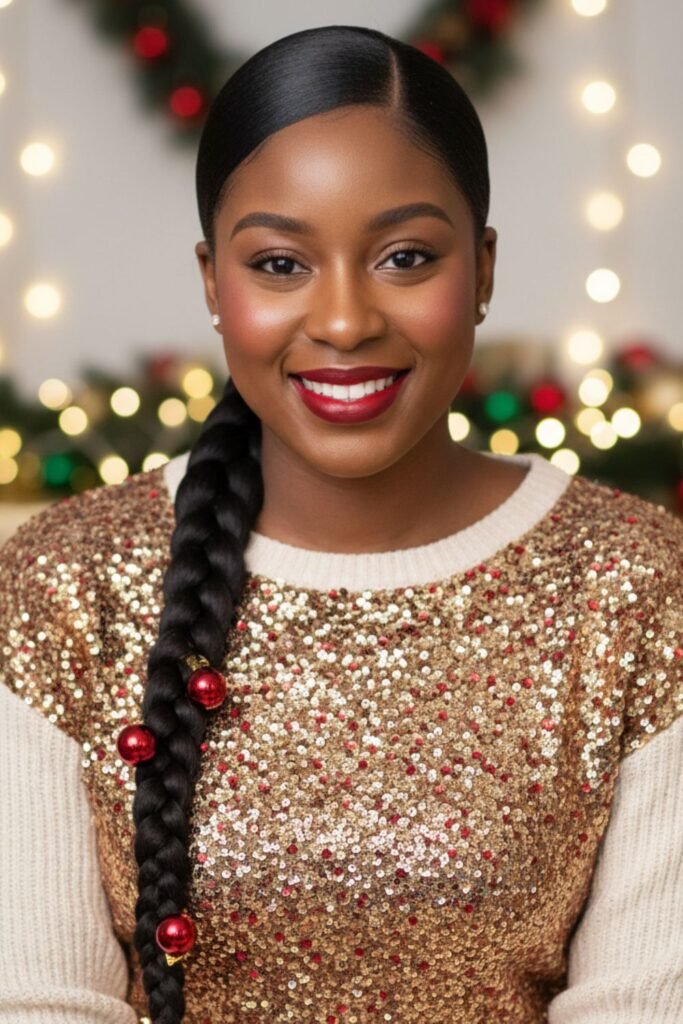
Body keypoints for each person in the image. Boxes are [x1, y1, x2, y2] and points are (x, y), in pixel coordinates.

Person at [0, 22, 681, 1024]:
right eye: (280, 264)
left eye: (405, 256)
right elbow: (36, 1000)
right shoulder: (67, 582)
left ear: (483, 268)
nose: (346, 320)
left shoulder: (635, 584)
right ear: (213, 282)